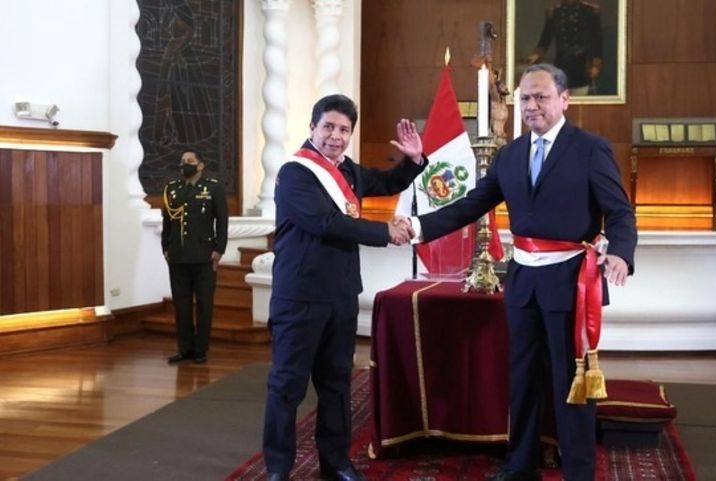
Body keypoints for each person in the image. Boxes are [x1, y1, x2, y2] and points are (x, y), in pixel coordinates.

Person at [401, 63, 637, 481]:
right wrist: (419, 227)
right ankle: (520, 465)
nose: (531, 106)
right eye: (525, 98)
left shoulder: (590, 148)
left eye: (541, 97)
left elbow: (619, 212)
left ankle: (578, 472)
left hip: (570, 283)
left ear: (565, 100)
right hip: (523, 283)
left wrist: (619, 251)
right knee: (522, 378)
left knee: (573, 384)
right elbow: (470, 205)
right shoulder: (510, 155)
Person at [263, 94, 426, 481]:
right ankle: (278, 469)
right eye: (329, 127)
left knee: (336, 384)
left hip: (341, 296)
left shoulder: (348, 170)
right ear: (312, 128)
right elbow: (326, 223)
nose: (336, 136)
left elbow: (387, 182)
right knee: (287, 388)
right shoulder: (295, 174)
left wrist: (415, 159)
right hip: (299, 297)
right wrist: (384, 232)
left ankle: (335, 463)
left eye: (344, 130)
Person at [161, 150, 228, 365]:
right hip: (178, 256)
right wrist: (166, 247)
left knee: (204, 304)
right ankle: (185, 348)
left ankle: (201, 349)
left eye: (190, 162)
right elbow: (167, 223)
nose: (185, 165)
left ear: (200, 165)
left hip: (204, 257)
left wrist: (219, 249)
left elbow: (222, 221)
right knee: (181, 305)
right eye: (182, 162)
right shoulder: (172, 189)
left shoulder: (213, 188)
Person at [526, 0, 603, 96]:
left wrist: (595, 65)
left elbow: (597, 42)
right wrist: (536, 55)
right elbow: (545, 40)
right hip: (561, 65)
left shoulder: (590, 11)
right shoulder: (554, 13)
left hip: (581, 67)